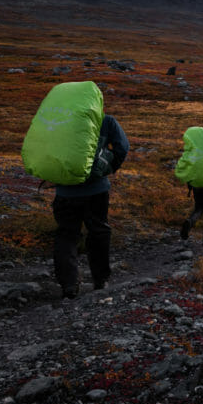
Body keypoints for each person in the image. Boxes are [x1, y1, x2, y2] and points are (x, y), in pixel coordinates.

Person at [53, 114, 129, 299]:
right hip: (96, 190)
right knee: (99, 232)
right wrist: (108, 168)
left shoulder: (57, 118)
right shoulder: (106, 120)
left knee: (66, 235)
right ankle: (100, 280)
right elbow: (122, 147)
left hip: (64, 191)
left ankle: (68, 286)